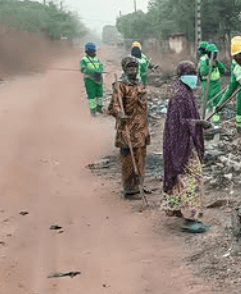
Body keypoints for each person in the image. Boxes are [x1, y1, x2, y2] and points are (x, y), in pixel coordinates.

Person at [161, 61, 212, 233]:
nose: (194, 76)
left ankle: (180, 210)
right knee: (192, 177)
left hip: (186, 142)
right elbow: (178, 123)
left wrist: (197, 123)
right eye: (190, 73)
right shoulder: (179, 96)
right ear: (182, 74)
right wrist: (198, 123)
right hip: (181, 144)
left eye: (195, 72)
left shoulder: (185, 91)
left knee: (184, 177)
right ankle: (190, 219)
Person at [107, 57, 151, 199]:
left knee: (140, 157)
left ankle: (139, 185)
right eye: (130, 68)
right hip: (127, 127)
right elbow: (113, 105)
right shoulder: (120, 86)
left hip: (141, 127)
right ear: (125, 70)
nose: (133, 71)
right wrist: (120, 114)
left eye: (135, 68)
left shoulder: (139, 83)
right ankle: (129, 190)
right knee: (128, 159)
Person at [198, 43, 227, 125]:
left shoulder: (216, 60)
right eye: (213, 53)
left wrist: (217, 63)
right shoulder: (204, 60)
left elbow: (223, 71)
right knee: (207, 102)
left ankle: (216, 121)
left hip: (216, 83)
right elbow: (203, 72)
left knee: (217, 102)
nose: (214, 55)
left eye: (215, 53)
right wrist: (210, 64)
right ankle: (206, 119)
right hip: (207, 83)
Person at [79, 42, 104, 116]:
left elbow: (101, 67)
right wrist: (93, 71)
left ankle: (99, 108)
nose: (94, 52)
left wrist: (99, 71)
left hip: (98, 79)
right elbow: (82, 69)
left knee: (100, 95)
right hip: (89, 80)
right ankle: (93, 111)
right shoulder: (83, 60)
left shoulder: (97, 60)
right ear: (89, 51)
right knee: (91, 96)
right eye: (93, 51)